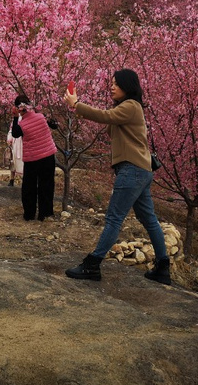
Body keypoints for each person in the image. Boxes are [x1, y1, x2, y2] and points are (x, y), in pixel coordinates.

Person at [63, 69, 171, 285]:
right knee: (149, 220)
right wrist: (77, 108)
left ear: (127, 86)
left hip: (132, 170)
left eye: (116, 84)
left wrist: (77, 105)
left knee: (114, 218)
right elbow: (109, 120)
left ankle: (92, 265)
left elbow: (106, 117)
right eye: (111, 83)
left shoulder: (131, 106)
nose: (111, 87)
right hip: (140, 170)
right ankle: (163, 267)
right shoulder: (128, 108)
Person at [10, 95, 58, 221]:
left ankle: (29, 214)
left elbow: (15, 133)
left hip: (32, 159)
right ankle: (45, 214)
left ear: (18, 109)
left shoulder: (22, 124)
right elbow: (54, 125)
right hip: (48, 156)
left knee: (29, 187)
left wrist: (15, 118)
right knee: (46, 185)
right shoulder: (41, 117)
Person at [6, 116, 24, 186]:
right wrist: (9, 139)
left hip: (24, 143)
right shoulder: (16, 119)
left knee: (24, 162)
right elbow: (11, 129)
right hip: (16, 142)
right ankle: (11, 179)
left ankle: (24, 181)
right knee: (13, 161)